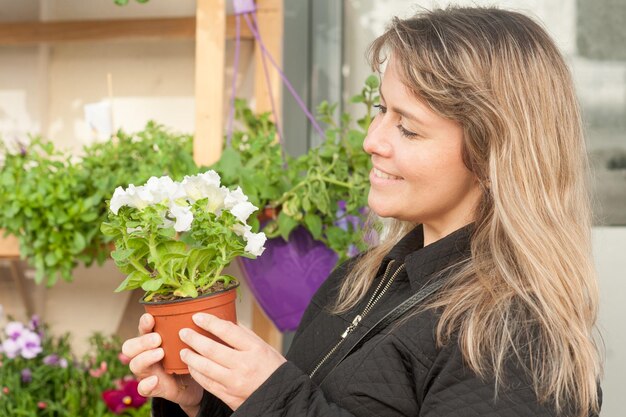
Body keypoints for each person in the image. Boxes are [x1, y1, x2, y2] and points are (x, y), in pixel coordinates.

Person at [121, 6, 602, 417]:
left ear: (493, 154)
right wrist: (206, 400)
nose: (372, 140)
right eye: (380, 110)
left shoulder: (514, 336)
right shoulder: (361, 279)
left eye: (408, 128)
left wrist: (272, 396)